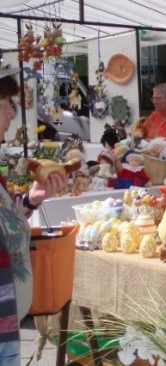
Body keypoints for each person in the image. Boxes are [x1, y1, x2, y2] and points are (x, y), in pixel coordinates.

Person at [0, 68, 66, 365]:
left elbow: (7, 220)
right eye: (6, 105)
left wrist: (30, 200)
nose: (12, 115)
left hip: (8, 327)